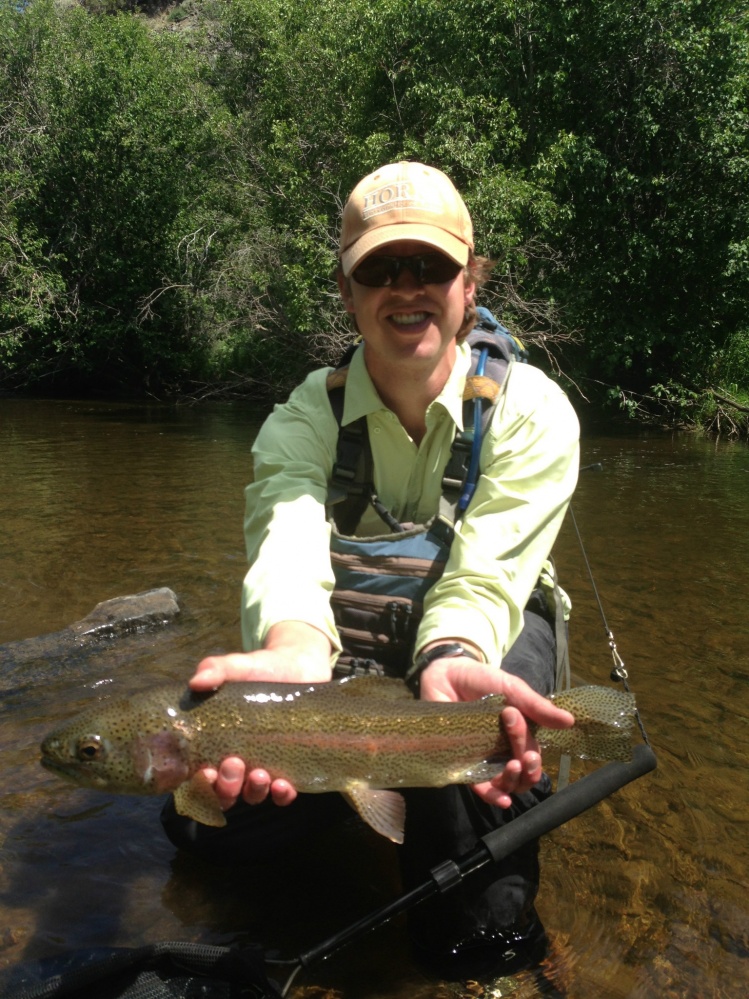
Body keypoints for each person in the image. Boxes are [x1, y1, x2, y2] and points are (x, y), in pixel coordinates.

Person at [162, 161, 580, 976]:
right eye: (380, 268)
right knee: (207, 808)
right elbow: (283, 537)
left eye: (429, 266)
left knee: (472, 806)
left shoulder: (531, 410)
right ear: (348, 292)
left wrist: (451, 656)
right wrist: (291, 654)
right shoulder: (300, 417)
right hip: (344, 638)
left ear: (470, 280)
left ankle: (480, 948)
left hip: (484, 636)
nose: (407, 287)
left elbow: (485, 578)